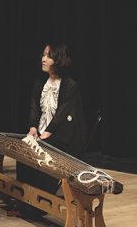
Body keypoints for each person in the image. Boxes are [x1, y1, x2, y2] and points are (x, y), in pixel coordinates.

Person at [16, 41, 87, 215]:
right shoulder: (40, 82)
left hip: (64, 136)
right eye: (43, 55)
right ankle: (24, 200)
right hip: (43, 131)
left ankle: (39, 204)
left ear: (58, 59)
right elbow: (34, 107)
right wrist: (33, 128)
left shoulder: (70, 84)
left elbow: (61, 115)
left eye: (48, 56)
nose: (43, 59)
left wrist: (46, 134)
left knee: (41, 152)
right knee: (22, 150)